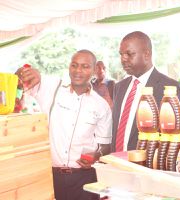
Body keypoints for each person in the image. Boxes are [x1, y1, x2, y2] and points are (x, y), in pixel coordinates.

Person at [16, 49, 112, 200]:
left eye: (85, 66)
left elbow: (106, 145)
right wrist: (24, 72)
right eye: (74, 65)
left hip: (85, 178)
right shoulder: (52, 87)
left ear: (94, 70)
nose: (78, 70)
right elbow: (21, 79)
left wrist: (97, 155)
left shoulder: (101, 106)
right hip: (52, 176)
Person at [112, 31, 180, 152]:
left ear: (147, 54)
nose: (123, 59)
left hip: (148, 165)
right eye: (121, 54)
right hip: (116, 163)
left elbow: (176, 136)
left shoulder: (170, 88)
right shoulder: (119, 87)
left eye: (129, 54)